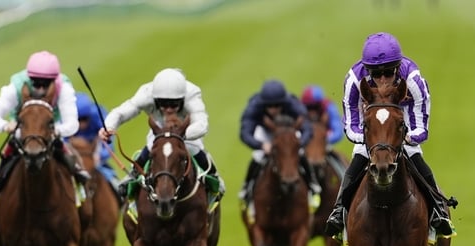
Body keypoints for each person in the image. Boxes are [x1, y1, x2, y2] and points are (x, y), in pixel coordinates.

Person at [324, 32, 455, 237]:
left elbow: (420, 124)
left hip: (402, 128)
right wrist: (372, 140)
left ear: (398, 67)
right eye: (376, 74)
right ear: (367, 70)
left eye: (388, 72)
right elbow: (351, 124)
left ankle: (439, 209)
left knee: (418, 162)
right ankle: (338, 210)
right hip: (371, 132)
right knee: (354, 167)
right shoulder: (354, 79)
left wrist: (406, 138)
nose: (383, 79)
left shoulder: (413, 79)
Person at [98, 68, 225, 199]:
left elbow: (202, 124)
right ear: (156, 100)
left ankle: (213, 175)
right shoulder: (146, 94)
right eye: (163, 104)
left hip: (185, 132)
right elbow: (121, 112)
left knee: (194, 147)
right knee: (151, 147)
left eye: (174, 104)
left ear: (182, 99)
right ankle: (133, 176)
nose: (168, 109)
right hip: (159, 130)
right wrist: (108, 127)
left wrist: (180, 135)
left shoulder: (192, 94)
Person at [0, 50, 88, 190]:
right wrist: (6, 126)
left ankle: (76, 174)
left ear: (54, 80)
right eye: (36, 83)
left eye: (46, 84)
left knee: (59, 144)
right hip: (22, 127)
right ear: (29, 78)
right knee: (16, 137)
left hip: (50, 127)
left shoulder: (64, 88)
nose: (40, 89)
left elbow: (72, 125)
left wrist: (55, 130)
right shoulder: (16, 87)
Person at [237, 79, 321, 207]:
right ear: (263, 104)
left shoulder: (293, 104)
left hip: (288, 133)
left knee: (301, 153)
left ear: (283, 103)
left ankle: (313, 185)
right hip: (265, 133)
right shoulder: (254, 107)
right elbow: (245, 133)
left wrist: (298, 144)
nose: (273, 109)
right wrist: (261, 145)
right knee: (258, 157)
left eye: (277, 105)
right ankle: (247, 188)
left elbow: (307, 128)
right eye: (270, 106)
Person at [68, 92, 120, 196]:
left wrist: (99, 156)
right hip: (74, 158)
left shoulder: (98, 115)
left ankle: (121, 198)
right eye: (78, 120)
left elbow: (109, 141)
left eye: (84, 119)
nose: (82, 124)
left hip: (96, 157)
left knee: (113, 179)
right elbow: (63, 142)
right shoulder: (66, 120)